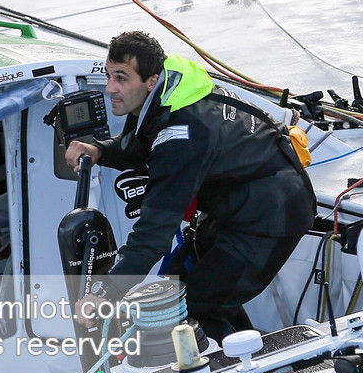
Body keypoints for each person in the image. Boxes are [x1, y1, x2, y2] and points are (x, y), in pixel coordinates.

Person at [63, 31, 315, 341]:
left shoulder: (181, 137)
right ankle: (253, 348)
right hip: (238, 204)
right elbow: (143, 144)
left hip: (272, 215)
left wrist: (107, 292)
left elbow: (154, 233)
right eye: (108, 76)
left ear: (150, 81)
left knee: (196, 306)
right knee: (178, 287)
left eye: (121, 78)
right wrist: (100, 150)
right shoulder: (173, 92)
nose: (110, 88)